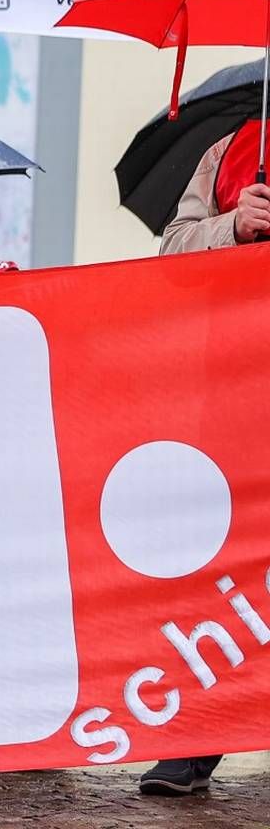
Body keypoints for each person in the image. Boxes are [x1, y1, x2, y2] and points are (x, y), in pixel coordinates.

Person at [139, 113, 270, 796]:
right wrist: (232, 226)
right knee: (220, 569)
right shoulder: (232, 149)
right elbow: (175, 253)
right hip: (232, 397)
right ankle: (196, 737)